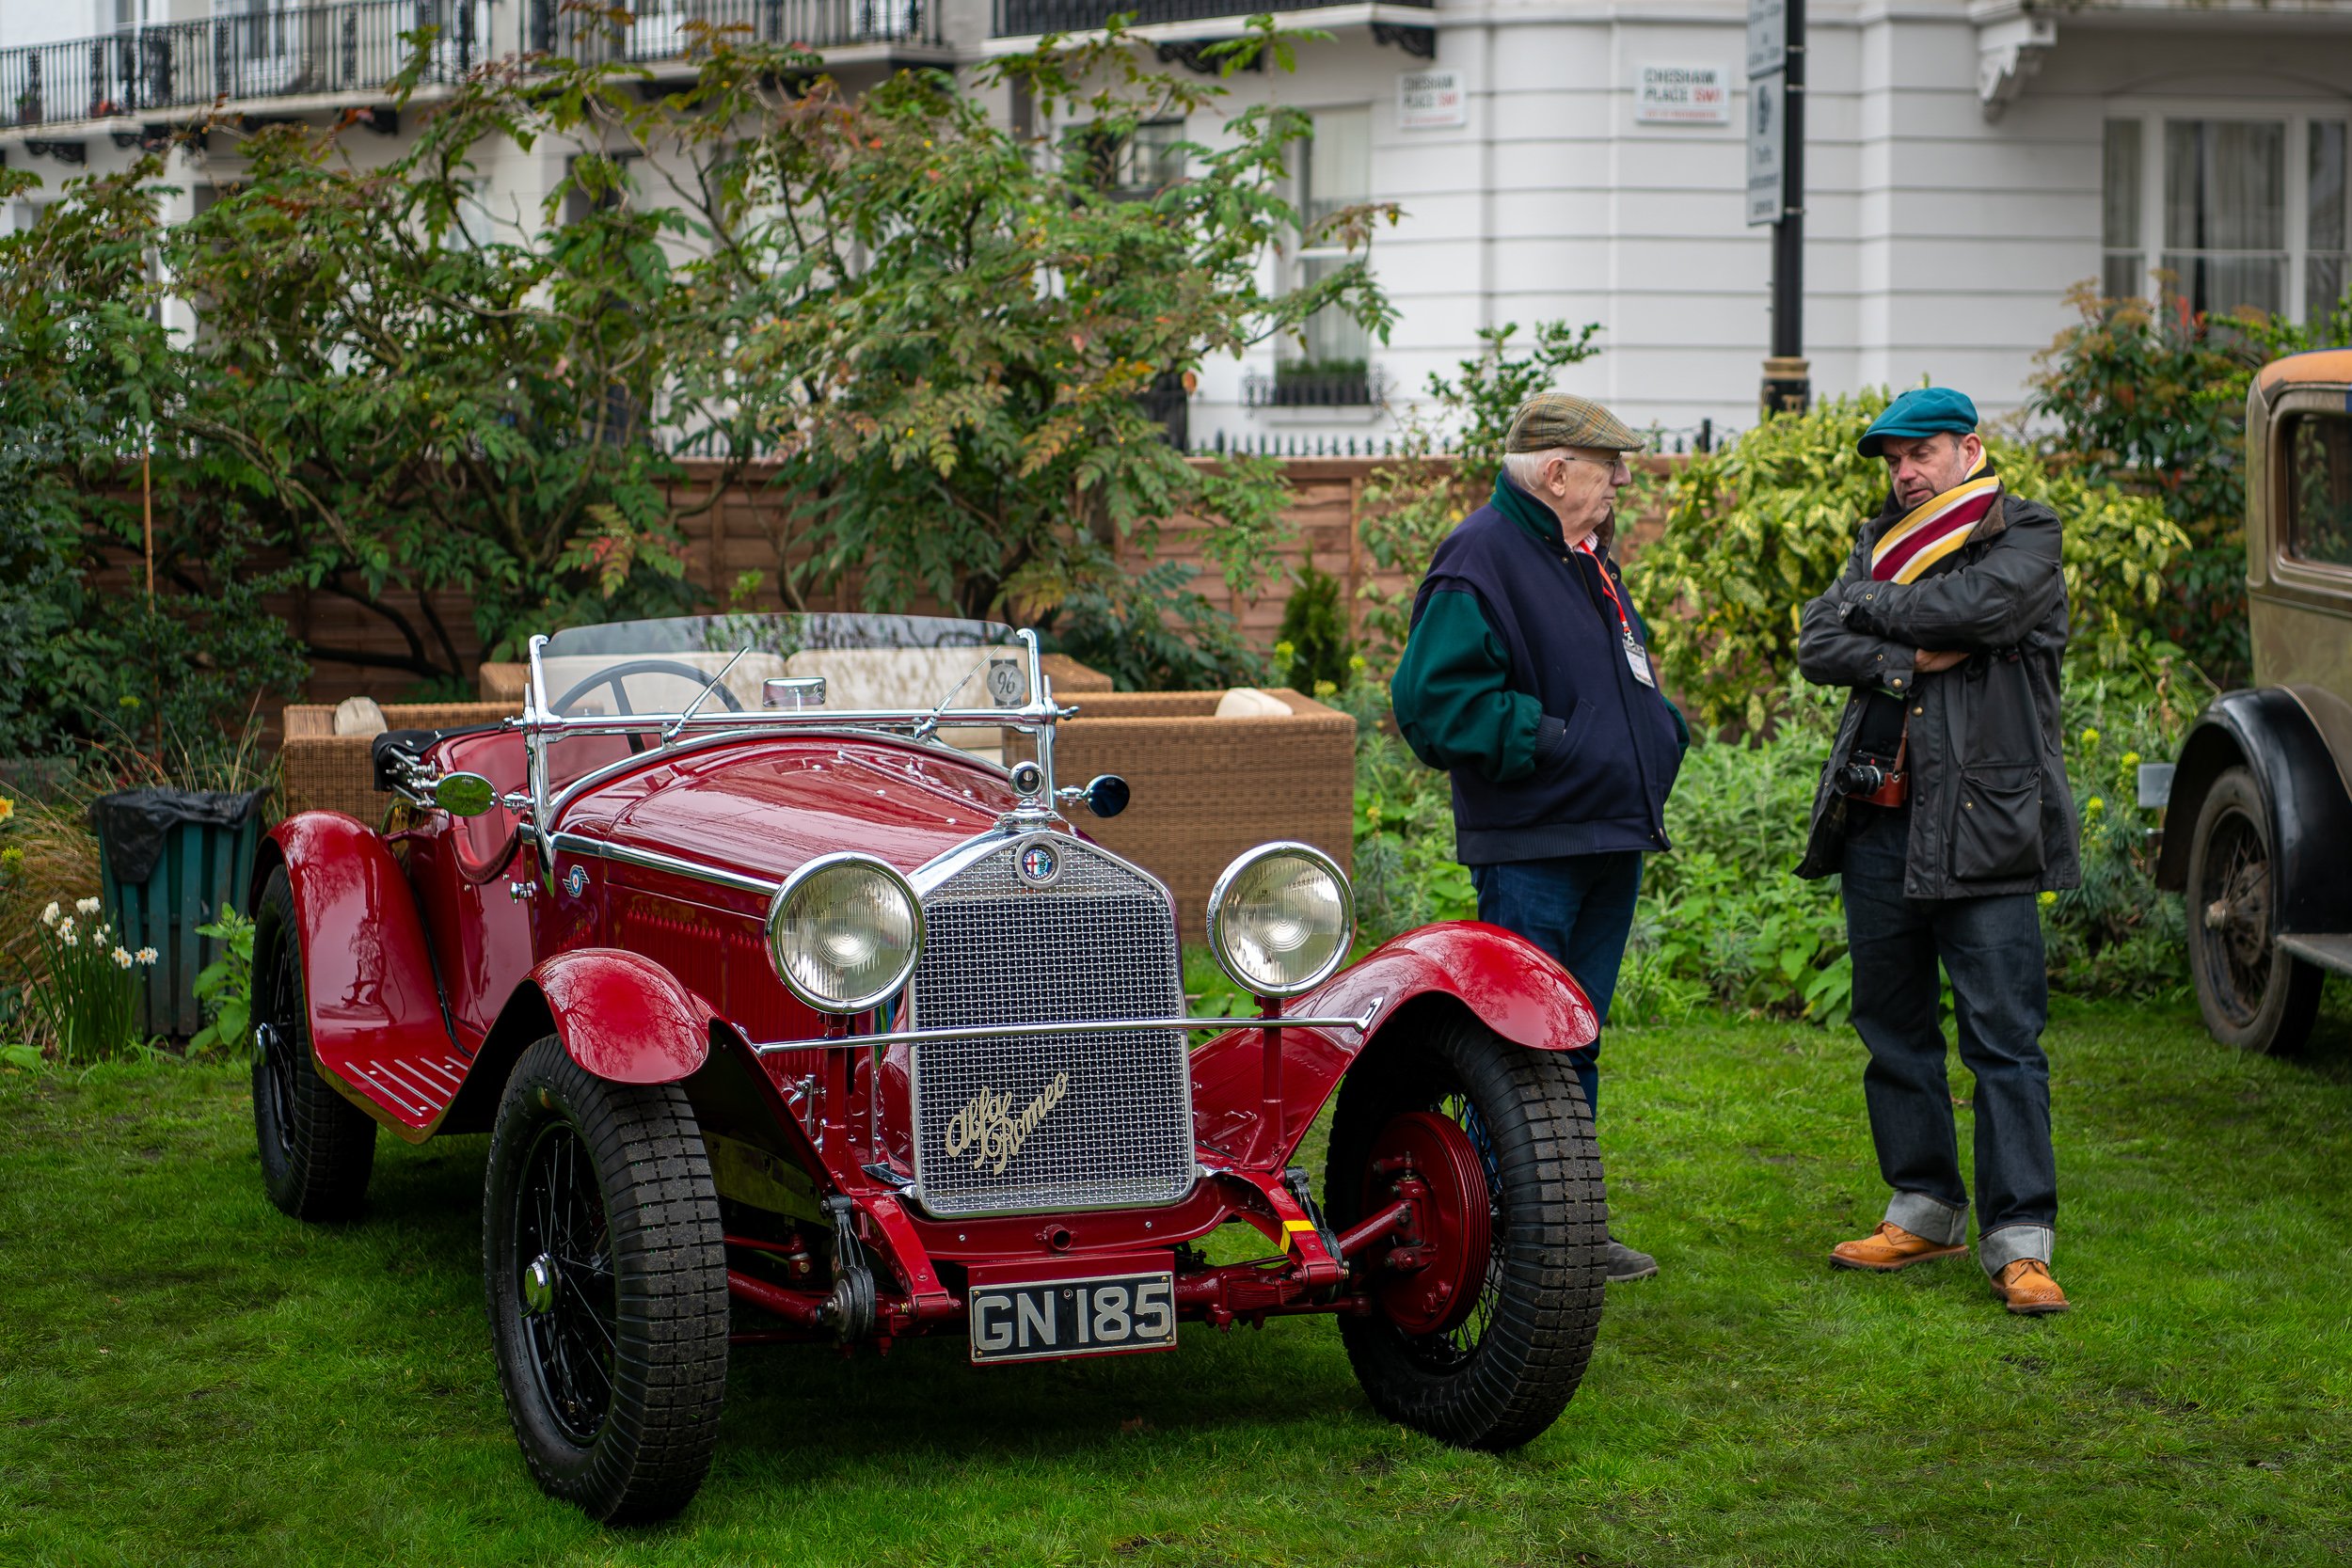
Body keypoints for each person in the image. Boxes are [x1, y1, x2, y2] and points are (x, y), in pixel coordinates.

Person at [1794, 387, 2080, 1316]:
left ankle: (2020, 1242)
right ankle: (1923, 1208)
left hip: (1987, 828)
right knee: (1893, 1029)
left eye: (1920, 454)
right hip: (1878, 818)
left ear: (1971, 450)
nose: (1903, 472)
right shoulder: (1883, 540)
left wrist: (1874, 612)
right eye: (1892, 460)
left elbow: (1987, 607)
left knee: (2004, 1040)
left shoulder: (2026, 533)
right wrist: (1907, 654)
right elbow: (1816, 636)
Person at [1390, 392, 1687, 1284]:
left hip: (1604, 835)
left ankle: (1563, 1230)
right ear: (1557, 472)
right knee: (1521, 1047)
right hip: (1536, 845)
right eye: (1609, 470)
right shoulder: (1482, 553)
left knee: (1574, 1037)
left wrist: (1656, 732)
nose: (1622, 485)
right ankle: (1498, 1234)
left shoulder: (1580, 554)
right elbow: (1432, 704)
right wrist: (1551, 743)